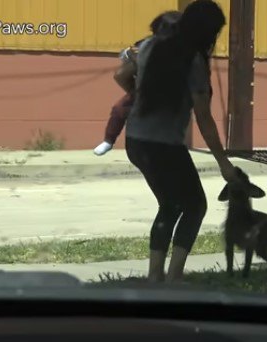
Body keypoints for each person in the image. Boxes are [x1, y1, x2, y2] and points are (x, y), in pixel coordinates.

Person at [123, 0, 237, 283]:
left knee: (170, 204)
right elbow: (204, 118)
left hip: (136, 140)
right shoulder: (194, 60)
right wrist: (224, 162)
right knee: (195, 205)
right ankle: (173, 276)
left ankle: (154, 275)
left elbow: (122, 73)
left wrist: (137, 95)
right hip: (164, 145)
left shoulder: (149, 45)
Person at [93, 11, 182, 156]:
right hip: (144, 87)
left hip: (167, 91)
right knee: (119, 108)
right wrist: (130, 56)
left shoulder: (181, 49)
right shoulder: (147, 43)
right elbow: (129, 56)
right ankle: (109, 141)